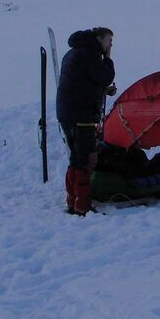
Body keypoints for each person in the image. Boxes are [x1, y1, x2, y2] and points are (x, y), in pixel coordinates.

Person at [56, 27, 117, 215]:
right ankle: (82, 204)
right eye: (109, 41)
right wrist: (107, 58)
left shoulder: (74, 52)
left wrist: (103, 91)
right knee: (84, 159)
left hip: (67, 111)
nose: (110, 45)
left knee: (75, 158)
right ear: (99, 39)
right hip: (81, 114)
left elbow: (84, 83)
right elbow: (104, 76)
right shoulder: (90, 55)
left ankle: (72, 199)